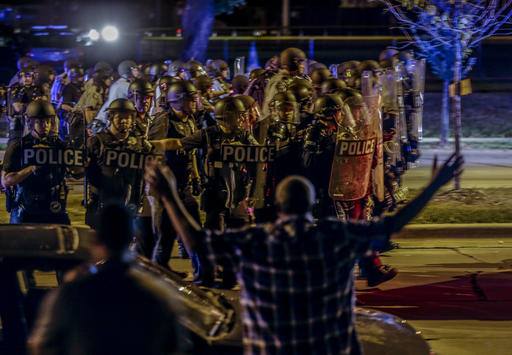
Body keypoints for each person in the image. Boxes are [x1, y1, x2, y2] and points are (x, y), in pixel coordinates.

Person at [145, 152, 463, 355]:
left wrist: (168, 195)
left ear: (279, 206)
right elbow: (393, 224)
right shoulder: (336, 235)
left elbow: (198, 243)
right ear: (310, 206)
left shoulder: (256, 240)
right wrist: (435, 185)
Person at [28, 203, 183, 355]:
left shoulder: (70, 294)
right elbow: (173, 345)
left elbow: (42, 345)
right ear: (134, 237)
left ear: (95, 238)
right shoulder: (157, 294)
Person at [1, 100, 71, 224]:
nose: (46, 125)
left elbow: (77, 172)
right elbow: (6, 181)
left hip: (53, 207)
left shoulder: (59, 146)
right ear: (30, 122)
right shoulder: (18, 147)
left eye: (48, 121)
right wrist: (32, 168)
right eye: (40, 121)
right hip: (26, 208)